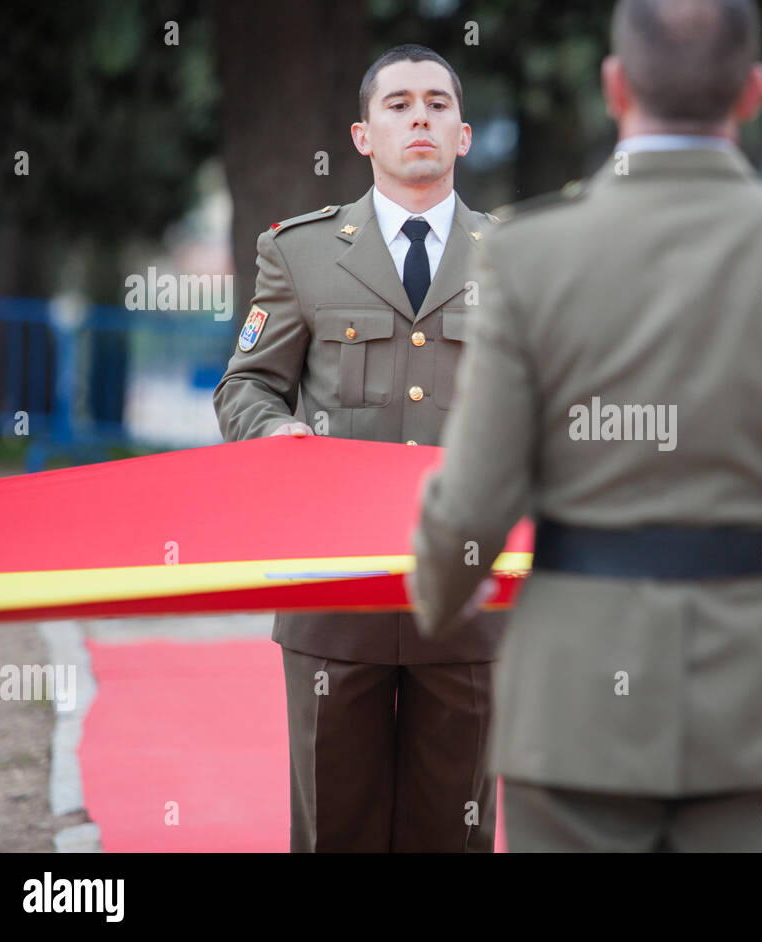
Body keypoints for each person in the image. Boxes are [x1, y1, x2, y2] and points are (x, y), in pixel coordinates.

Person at [410, 0, 762, 852]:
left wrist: (438, 597)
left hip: (576, 694)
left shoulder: (527, 253)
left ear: (614, 85)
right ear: (754, 90)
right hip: (758, 698)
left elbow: (475, 500)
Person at [214, 44, 501, 852]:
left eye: (438, 104)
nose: (420, 117)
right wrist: (276, 434)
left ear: (465, 135)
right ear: (362, 135)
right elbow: (245, 386)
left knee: (456, 831)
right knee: (334, 826)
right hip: (332, 596)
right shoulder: (300, 252)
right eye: (399, 103)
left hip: (468, 598)